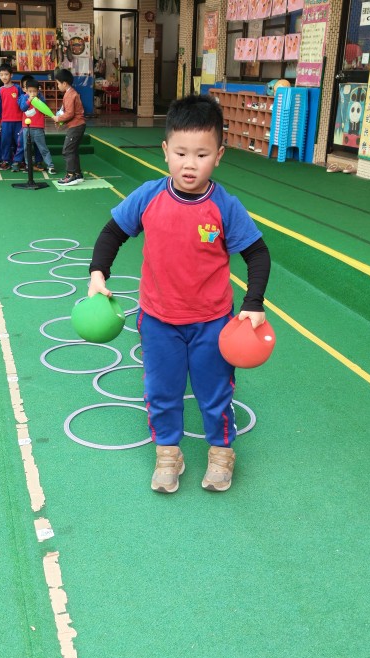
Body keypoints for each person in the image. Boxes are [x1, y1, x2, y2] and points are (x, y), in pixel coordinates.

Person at [86, 95, 272, 493]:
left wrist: (253, 303)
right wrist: (98, 274)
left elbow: (257, 253)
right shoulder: (148, 196)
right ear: (166, 150)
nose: (190, 164)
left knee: (215, 392)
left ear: (218, 156)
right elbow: (112, 232)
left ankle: (221, 451)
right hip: (158, 321)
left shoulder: (225, 206)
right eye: (181, 153)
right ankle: (168, 451)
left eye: (201, 155)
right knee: (162, 391)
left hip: (212, 323)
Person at [52, 68, 85, 186]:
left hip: (76, 126)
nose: (57, 86)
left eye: (58, 83)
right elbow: (66, 112)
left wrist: (58, 119)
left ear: (64, 83)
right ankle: (77, 174)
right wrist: (61, 120)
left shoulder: (70, 95)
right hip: (78, 125)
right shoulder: (70, 93)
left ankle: (70, 175)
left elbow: (70, 113)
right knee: (73, 150)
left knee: (67, 150)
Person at [17, 76, 54, 174]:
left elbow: (44, 108)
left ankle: (50, 166)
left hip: (38, 128)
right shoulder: (24, 97)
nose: (32, 93)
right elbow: (23, 108)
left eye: (34, 91)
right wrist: (29, 100)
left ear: (38, 91)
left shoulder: (40, 98)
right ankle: (28, 165)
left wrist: (38, 99)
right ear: (26, 90)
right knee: (27, 148)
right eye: (30, 91)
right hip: (26, 128)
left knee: (43, 148)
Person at [0, 65, 22, 171]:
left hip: (18, 121)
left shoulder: (17, 88)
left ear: (11, 75)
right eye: (1, 75)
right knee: (5, 142)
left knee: (19, 142)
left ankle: (18, 161)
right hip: (5, 122)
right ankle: (6, 161)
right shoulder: (0, 91)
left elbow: (22, 103)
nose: (4, 77)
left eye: (6, 74)